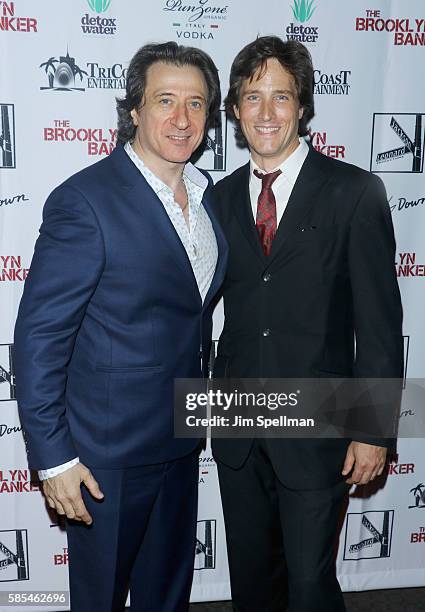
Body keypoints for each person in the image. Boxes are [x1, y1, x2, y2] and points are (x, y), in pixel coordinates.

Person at [14, 41, 227, 612]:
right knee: (101, 599)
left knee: (167, 598)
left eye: (196, 103)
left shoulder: (208, 199)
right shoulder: (85, 201)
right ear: (134, 109)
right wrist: (54, 458)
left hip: (182, 443)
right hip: (104, 458)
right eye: (164, 101)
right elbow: (39, 340)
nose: (181, 119)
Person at [212, 36, 403, 612]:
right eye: (252, 98)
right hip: (239, 421)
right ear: (236, 111)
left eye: (281, 97)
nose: (266, 113)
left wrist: (373, 430)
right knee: (250, 582)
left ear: (302, 106)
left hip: (320, 425)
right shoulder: (216, 201)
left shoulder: (353, 190)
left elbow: (379, 322)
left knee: (309, 585)